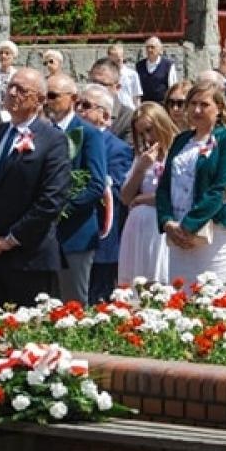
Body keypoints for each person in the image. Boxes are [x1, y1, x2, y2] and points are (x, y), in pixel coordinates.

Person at [0, 67, 72, 305]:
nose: (12, 93)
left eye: (22, 90)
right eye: (10, 87)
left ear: (40, 100)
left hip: (31, 258)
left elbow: (51, 199)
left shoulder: (52, 140)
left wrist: (11, 239)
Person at [157, 81, 226, 286]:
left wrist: (189, 225)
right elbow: (164, 185)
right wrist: (166, 221)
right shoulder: (181, 140)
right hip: (177, 231)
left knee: (209, 295)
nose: (196, 110)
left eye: (204, 105)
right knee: (180, 293)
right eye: (192, 103)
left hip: (212, 231)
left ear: (219, 108)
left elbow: (224, 187)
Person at [45, 73, 108, 303]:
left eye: (53, 96)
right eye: (45, 96)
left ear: (72, 98)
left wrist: (58, 210)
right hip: (45, 237)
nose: (47, 101)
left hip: (75, 233)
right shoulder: (43, 132)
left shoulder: (87, 133)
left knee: (74, 302)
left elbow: (96, 184)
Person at [79, 84, 134, 301]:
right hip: (71, 237)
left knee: (95, 299)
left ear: (103, 114)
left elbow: (115, 192)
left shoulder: (117, 148)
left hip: (100, 237)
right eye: (77, 105)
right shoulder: (70, 140)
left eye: (85, 106)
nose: (79, 111)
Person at [119, 102, 175, 285]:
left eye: (149, 130)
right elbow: (126, 197)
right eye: (141, 133)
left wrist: (143, 198)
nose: (147, 137)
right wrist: (140, 169)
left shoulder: (177, 151)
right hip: (139, 227)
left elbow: (176, 193)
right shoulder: (142, 156)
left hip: (162, 226)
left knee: (162, 279)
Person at [136, 36, 178, 104]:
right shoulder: (139, 66)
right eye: (147, 47)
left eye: (152, 47)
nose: (149, 50)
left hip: (162, 106)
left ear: (159, 49)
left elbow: (172, 88)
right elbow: (136, 88)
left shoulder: (168, 65)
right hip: (145, 106)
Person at [108, 43, 142, 109]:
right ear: (109, 58)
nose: (117, 60)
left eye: (119, 57)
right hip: (111, 111)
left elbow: (136, 97)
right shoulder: (106, 75)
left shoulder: (132, 74)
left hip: (129, 110)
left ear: (123, 57)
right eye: (114, 58)